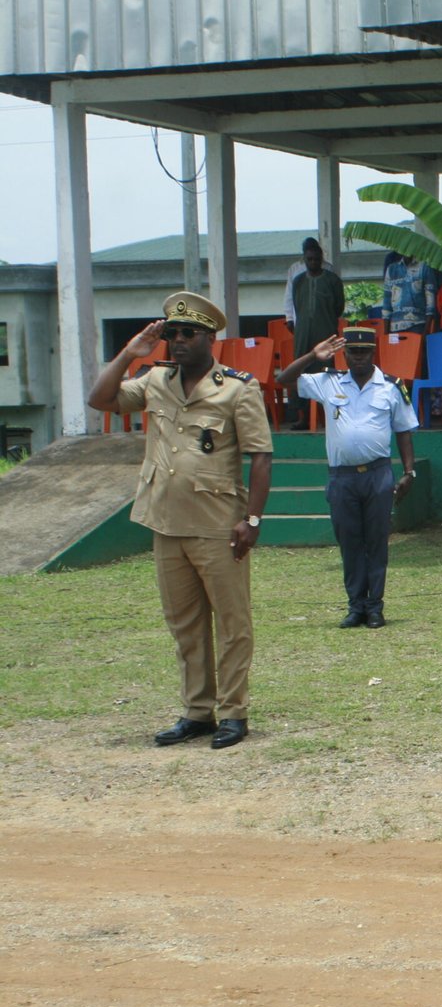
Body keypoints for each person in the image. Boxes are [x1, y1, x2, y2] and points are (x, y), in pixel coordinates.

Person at [85, 293, 273, 750]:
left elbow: (261, 455)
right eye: (172, 333)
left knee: (232, 623)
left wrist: (252, 519)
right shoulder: (155, 380)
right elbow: (101, 399)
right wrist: (130, 354)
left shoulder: (236, 387)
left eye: (189, 333)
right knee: (184, 624)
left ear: (211, 337)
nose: (178, 341)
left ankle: (233, 712)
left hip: (217, 522)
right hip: (166, 522)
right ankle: (197, 711)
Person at [276, 326, 418, 629]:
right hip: (342, 477)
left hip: (378, 474)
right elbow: (283, 379)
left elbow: (404, 431)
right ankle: (356, 606)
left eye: (364, 352)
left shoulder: (391, 387)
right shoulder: (329, 382)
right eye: (352, 352)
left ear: (373, 352)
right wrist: (313, 356)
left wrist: (409, 471)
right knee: (350, 542)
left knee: (376, 542)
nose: (358, 358)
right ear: (345, 354)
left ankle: (375, 607)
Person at [286, 238, 346, 430]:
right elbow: (295, 303)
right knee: (301, 371)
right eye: (309, 259)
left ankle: (328, 415)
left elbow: (339, 306)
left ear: (321, 258)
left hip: (326, 330)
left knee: (327, 372)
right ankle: (303, 417)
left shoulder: (332, 280)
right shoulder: (298, 281)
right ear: (304, 259)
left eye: (316, 259)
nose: (313, 262)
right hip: (303, 332)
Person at [381, 253, 437, 335]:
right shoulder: (391, 269)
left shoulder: (424, 267)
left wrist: (426, 331)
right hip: (395, 327)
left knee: (414, 348)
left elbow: (431, 304)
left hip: (418, 325)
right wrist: (386, 333)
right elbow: (386, 304)